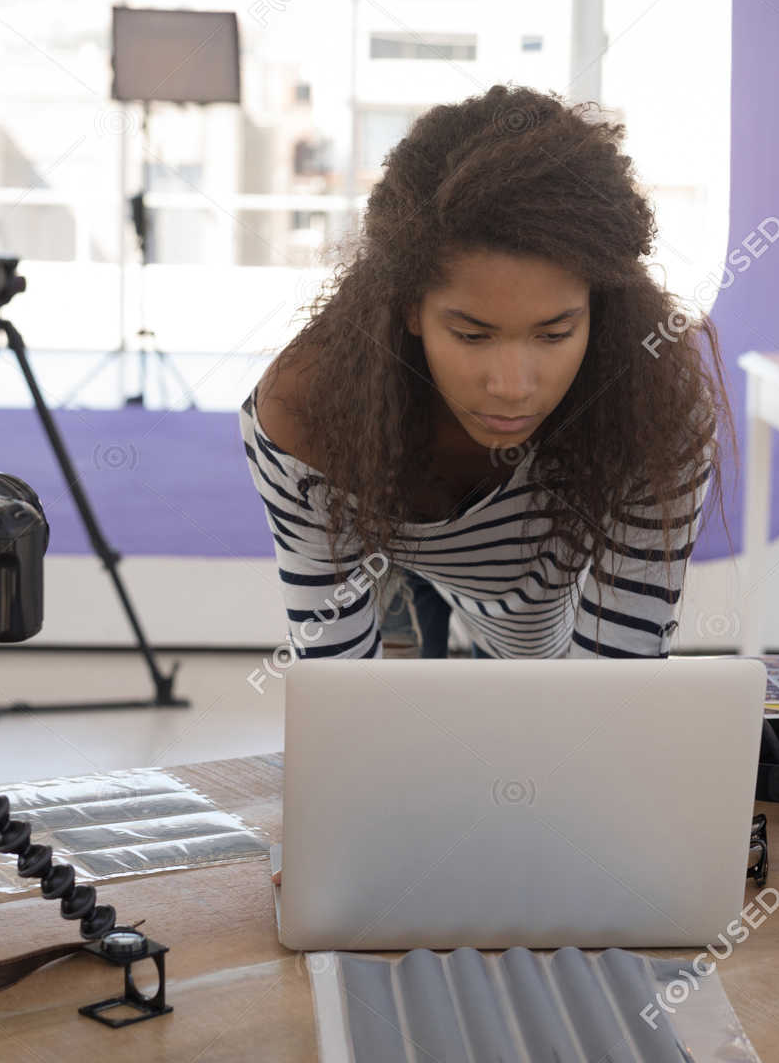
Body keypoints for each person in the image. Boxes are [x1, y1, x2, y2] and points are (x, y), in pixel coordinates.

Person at [240, 84, 729, 660]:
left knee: (528, 659)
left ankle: (440, 612)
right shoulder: (301, 413)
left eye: (554, 334)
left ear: (599, 309)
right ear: (407, 308)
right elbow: (333, 681)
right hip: (383, 519)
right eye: (472, 335)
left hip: (530, 582)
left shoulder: (658, 408)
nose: (513, 386)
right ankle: (409, 591)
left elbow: (619, 683)